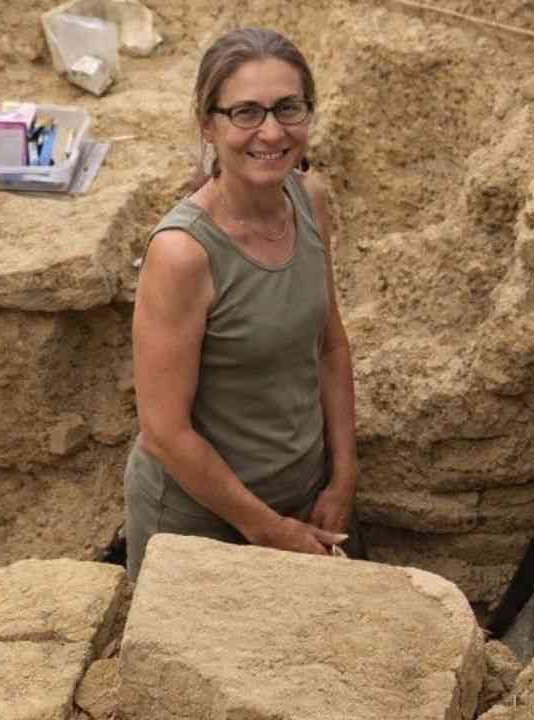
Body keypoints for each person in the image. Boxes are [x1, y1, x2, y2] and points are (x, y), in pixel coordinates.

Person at [123, 27, 359, 580]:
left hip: (302, 501)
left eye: (288, 108)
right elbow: (165, 431)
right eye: (246, 113)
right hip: (201, 524)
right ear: (209, 124)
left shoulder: (310, 200)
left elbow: (330, 346)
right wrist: (269, 530)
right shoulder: (182, 254)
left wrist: (343, 476)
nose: (271, 132)